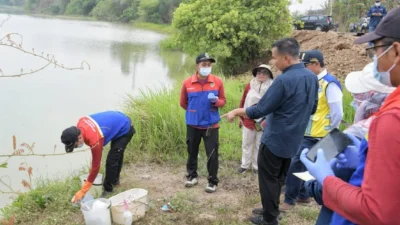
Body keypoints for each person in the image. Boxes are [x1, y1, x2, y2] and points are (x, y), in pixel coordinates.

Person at [300, 8, 400, 225]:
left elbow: (376, 212)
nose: (374, 60)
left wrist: (326, 180)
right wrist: (364, 159)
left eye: (375, 51)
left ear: (396, 51)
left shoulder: (392, 118)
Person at [221, 38, 319, 225]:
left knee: (268, 181)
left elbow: (259, 110)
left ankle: (269, 219)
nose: (273, 63)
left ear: (286, 58)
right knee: (278, 179)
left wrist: (236, 111)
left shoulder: (283, 80)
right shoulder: (311, 78)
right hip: (294, 140)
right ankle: (271, 209)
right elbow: (313, 108)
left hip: (274, 140)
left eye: (275, 58)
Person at [304, 62, 394, 225]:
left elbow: (318, 187)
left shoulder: (350, 134)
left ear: (369, 97)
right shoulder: (390, 124)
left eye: (358, 95)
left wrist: (312, 183)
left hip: (345, 212)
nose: (355, 100)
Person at [281, 50, 343, 212]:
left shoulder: (329, 83)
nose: (304, 68)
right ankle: (302, 194)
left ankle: (290, 199)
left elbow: (338, 112)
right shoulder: (310, 81)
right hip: (307, 132)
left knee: (299, 163)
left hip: (322, 134)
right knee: (301, 164)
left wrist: (331, 132)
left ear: (316, 64)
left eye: (306, 65)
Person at [61, 111, 135, 203]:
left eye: (75, 145)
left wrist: (83, 190)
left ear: (79, 137)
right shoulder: (80, 122)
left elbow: (95, 167)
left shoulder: (94, 139)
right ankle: (115, 181)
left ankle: (108, 190)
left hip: (125, 128)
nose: (75, 147)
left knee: (111, 160)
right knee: (116, 154)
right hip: (117, 120)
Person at [179, 53, 226, 193]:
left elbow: (223, 101)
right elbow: (183, 103)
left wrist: (216, 102)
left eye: (209, 65)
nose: (206, 67)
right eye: (204, 64)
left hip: (211, 125)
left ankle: (212, 181)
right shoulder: (187, 83)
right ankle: (192, 176)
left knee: (212, 154)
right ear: (197, 66)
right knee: (191, 151)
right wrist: (194, 112)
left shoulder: (217, 82)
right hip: (193, 124)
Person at [237, 64, 273, 175]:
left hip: (264, 120)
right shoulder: (249, 85)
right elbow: (243, 101)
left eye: (264, 73)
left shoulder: (273, 87)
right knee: (247, 143)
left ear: (269, 75)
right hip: (248, 118)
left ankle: (257, 166)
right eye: (259, 72)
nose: (261, 75)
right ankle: (245, 165)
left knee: (259, 144)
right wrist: (240, 116)